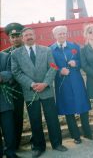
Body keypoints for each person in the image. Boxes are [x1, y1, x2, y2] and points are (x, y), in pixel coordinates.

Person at [11, 28, 67, 157]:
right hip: (30, 91)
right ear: (22, 37)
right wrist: (31, 84)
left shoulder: (46, 50)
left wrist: (45, 83)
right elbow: (16, 72)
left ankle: (57, 143)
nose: (29, 37)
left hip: (46, 89)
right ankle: (39, 146)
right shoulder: (16, 54)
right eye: (26, 35)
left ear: (34, 36)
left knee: (52, 118)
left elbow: (53, 67)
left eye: (31, 34)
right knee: (35, 119)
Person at [50, 26, 93, 144]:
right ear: (55, 36)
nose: (62, 35)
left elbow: (83, 62)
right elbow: (51, 66)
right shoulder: (50, 49)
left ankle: (87, 132)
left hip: (76, 80)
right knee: (68, 108)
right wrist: (60, 70)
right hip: (62, 83)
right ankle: (75, 136)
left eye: (64, 33)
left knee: (83, 106)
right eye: (59, 34)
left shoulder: (74, 46)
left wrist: (76, 62)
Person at [2, 23, 25, 150]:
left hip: (31, 88)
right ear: (9, 38)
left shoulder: (28, 50)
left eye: (17, 36)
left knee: (35, 116)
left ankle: (36, 142)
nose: (15, 39)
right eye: (13, 36)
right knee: (16, 117)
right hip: (14, 90)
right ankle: (15, 144)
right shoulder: (5, 54)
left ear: (21, 36)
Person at [0, 52, 19, 158]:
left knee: (9, 130)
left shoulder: (5, 56)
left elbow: (11, 72)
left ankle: (10, 153)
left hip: (4, 101)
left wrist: (1, 76)